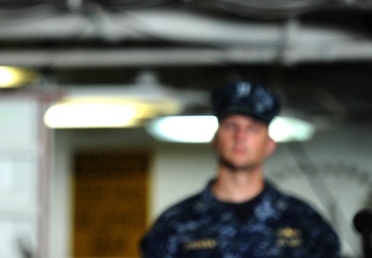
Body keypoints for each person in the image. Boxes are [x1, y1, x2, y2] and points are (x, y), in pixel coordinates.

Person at [140, 80, 340, 257]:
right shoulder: (175, 224)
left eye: (253, 128)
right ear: (215, 139)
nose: (240, 136)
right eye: (230, 126)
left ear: (270, 144)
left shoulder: (304, 222)